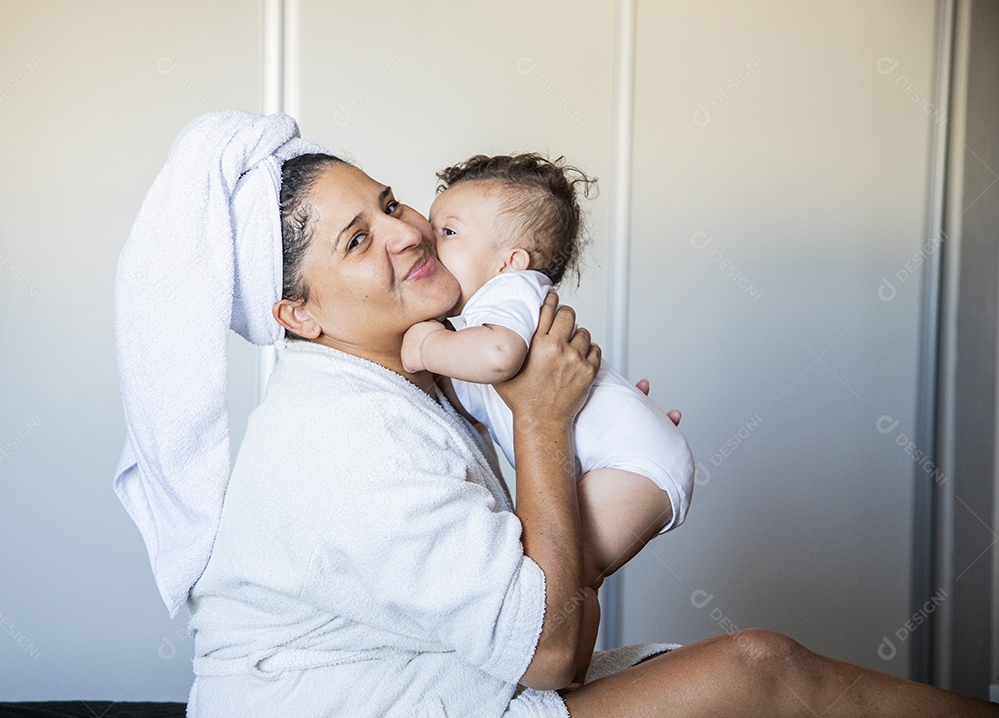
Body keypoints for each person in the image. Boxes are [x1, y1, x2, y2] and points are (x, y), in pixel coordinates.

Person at [114, 112, 999, 718]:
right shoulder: (341, 433)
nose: (407, 231)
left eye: (389, 201)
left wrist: (573, 429)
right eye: (357, 238)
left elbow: (533, 593)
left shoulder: (423, 370)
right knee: (759, 670)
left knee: (764, 670)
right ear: (298, 316)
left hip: (439, 675)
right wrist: (541, 423)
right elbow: (548, 654)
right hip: (351, 704)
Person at [399, 153, 694, 685]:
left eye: (449, 231)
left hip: (636, 461)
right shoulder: (483, 315)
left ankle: (566, 679)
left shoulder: (506, 297)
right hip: (624, 452)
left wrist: (424, 344)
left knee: (572, 571)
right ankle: (571, 676)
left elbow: (498, 359)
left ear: (511, 260)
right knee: (576, 574)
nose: (429, 242)